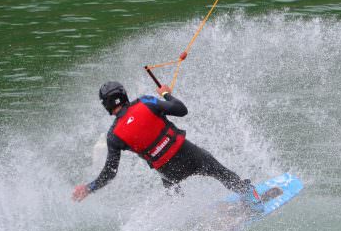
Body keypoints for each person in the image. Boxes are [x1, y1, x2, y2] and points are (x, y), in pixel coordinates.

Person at [72, 81, 261, 209]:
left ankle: (182, 219)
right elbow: (181, 109)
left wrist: (89, 188)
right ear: (124, 95)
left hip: (168, 170)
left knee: (172, 193)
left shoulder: (113, 136)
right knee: (219, 171)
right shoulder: (146, 102)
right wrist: (166, 94)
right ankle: (249, 195)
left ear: (106, 105)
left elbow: (110, 173)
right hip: (189, 154)